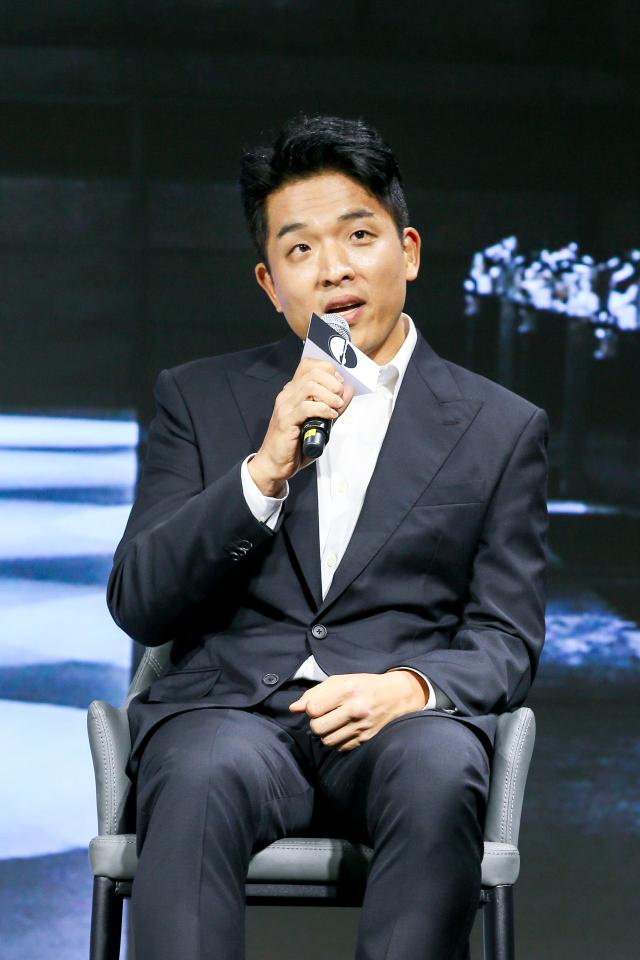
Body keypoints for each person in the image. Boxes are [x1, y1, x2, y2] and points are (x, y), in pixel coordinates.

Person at [107, 114, 548, 960]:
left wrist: (409, 687)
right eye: (301, 249)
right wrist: (263, 471)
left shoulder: (499, 426)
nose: (336, 268)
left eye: (358, 235)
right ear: (272, 284)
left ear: (407, 252)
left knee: (442, 771)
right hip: (227, 717)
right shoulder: (198, 400)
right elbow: (140, 601)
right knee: (195, 774)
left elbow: (506, 637)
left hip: (397, 727)